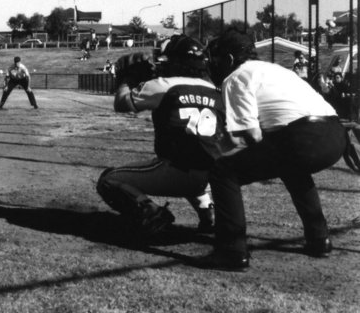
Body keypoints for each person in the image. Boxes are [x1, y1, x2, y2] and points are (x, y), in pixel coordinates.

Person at [199, 29, 345, 271]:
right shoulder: (277, 70)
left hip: (301, 137)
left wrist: (215, 151)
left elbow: (250, 136)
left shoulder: (236, 76)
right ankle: (319, 239)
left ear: (230, 59)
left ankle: (232, 251)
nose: (213, 65)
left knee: (223, 170)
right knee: (292, 167)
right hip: (335, 135)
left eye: (216, 59)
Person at [96, 35, 219, 237]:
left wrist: (127, 80)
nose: (162, 64)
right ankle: (209, 212)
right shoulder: (215, 89)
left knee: (109, 179)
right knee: (193, 161)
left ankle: (151, 214)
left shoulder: (164, 84)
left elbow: (122, 103)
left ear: (178, 61)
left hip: (173, 170)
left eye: (166, 60)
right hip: (211, 174)